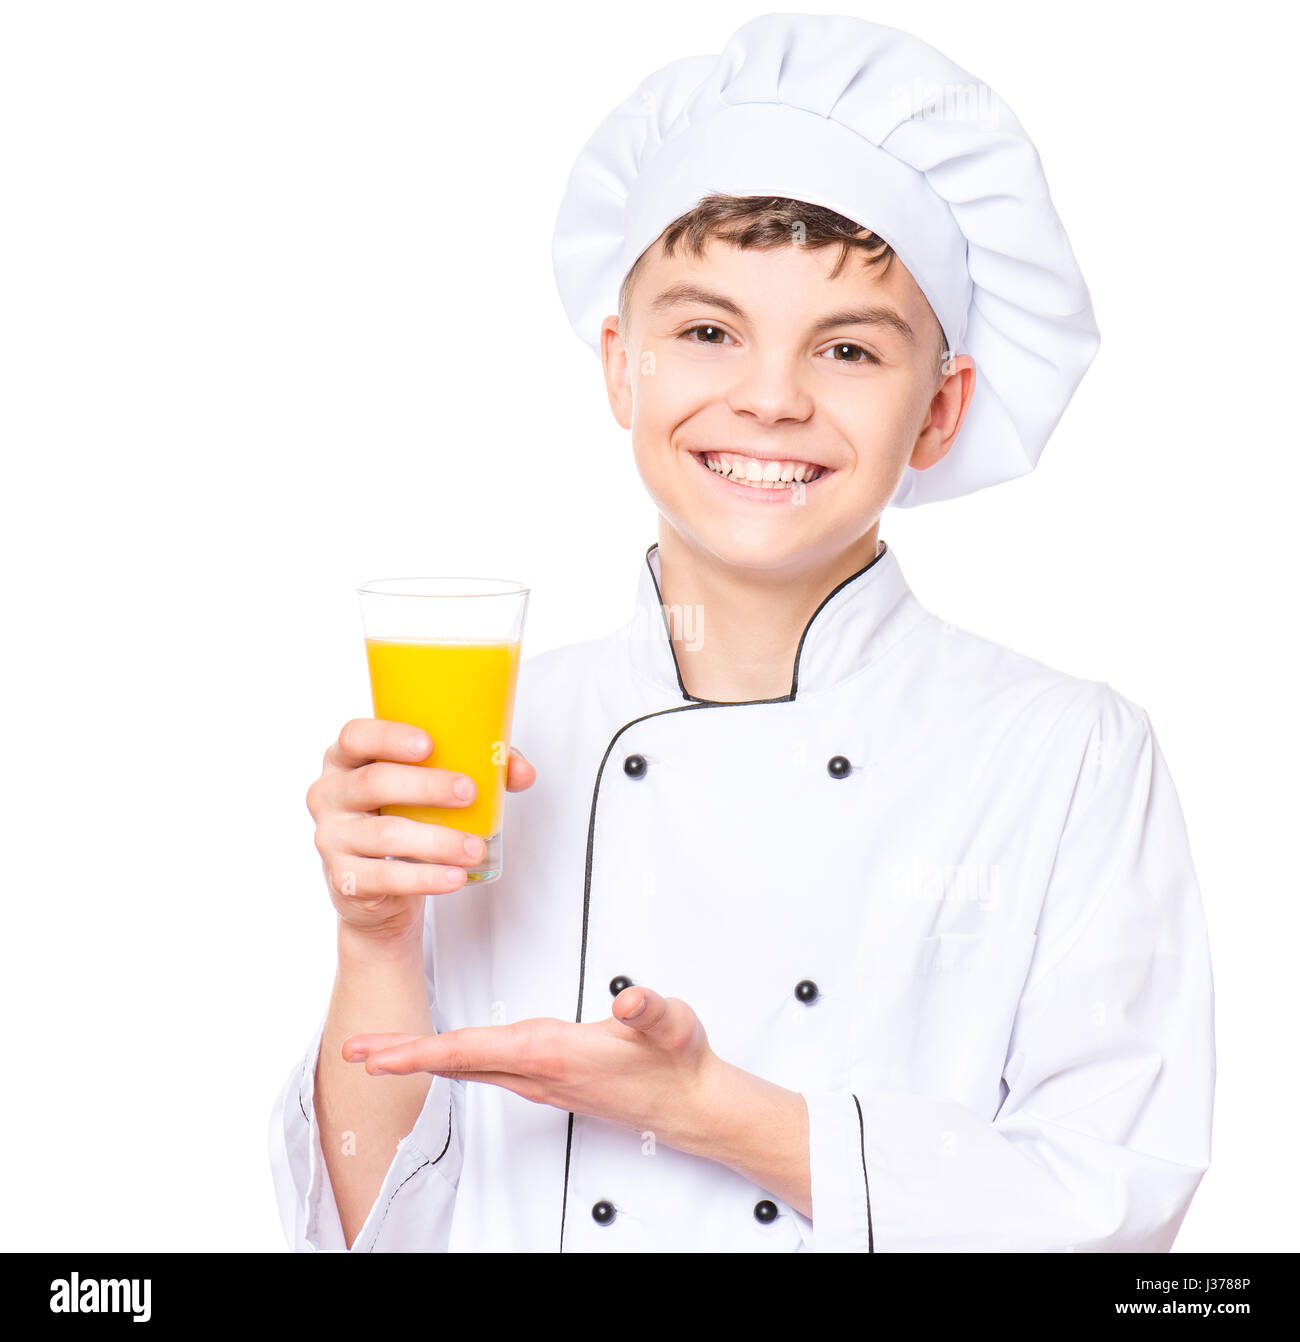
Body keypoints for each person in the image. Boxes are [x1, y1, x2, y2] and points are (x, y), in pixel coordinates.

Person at [269, 12, 1215, 1252]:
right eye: (707, 331)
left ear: (942, 409)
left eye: (847, 347)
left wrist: (723, 1114)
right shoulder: (492, 741)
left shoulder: (1066, 753)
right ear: (621, 367)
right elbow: (372, 1230)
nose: (770, 396)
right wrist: (376, 937)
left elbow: (1110, 1207)